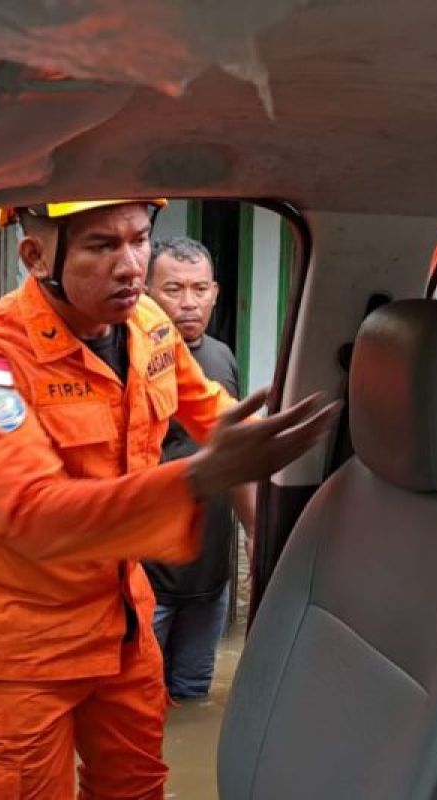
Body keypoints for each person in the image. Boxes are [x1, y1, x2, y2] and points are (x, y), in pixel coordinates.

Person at [0, 199, 337, 798]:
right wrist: (199, 477)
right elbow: (32, 511)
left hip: (123, 624)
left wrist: (285, 447)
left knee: (138, 788)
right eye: (101, 245)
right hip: (20, 649)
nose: (131, 266)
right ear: (36, 256)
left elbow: (212, 416)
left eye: (140, 239)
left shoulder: (148, 324)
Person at [143, 236, 253, 699]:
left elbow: (235, 451)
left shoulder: (221, 357)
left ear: (215, 293)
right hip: (147, 578)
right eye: (173, 289)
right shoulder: (130, 358)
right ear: (146, 293)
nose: (189, 303)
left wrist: (255, 531)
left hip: (209, 577)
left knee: (193, 697)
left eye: (199, 288)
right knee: (136, 708)